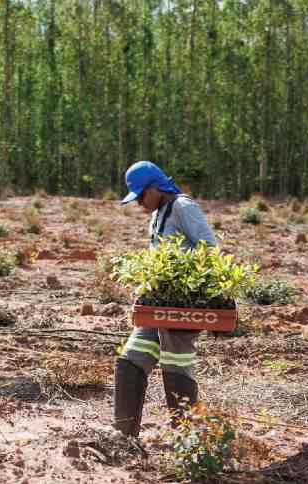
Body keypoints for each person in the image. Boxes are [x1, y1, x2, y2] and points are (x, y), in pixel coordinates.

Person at [114, 160, 217, 437]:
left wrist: (186, 279)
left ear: (155, 187)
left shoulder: (183, 207)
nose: (138, 204)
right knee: (131, 361)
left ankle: (189, 444)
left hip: (181, 308)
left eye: (141, 196)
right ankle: (124, 438)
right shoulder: (157, 213)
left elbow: (210, 249)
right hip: (158, 305)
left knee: (176, 369)